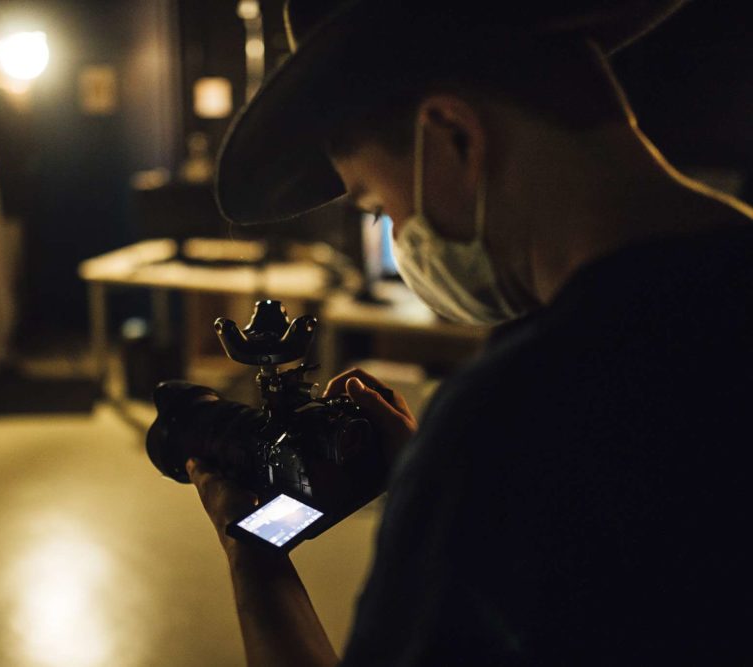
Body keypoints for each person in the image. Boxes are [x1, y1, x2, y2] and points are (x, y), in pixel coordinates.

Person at [187, 0, 753, 664]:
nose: (399, 238)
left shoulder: (509, 422)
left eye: (376, 205)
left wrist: (250, 549)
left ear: (453, 134)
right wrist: (441, 495)